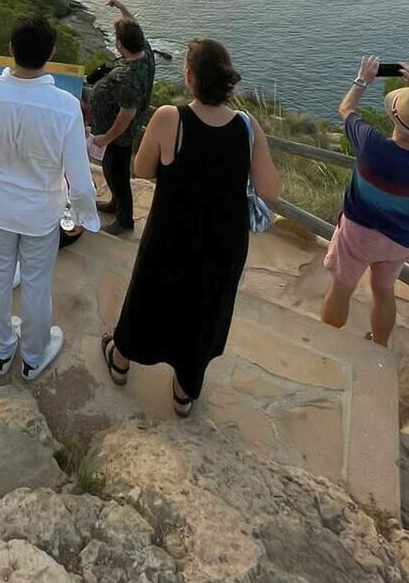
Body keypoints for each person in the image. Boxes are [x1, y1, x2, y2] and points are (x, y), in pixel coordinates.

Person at [102, 37, 279, 418]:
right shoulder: (247, 126)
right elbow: (270, 190)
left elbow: (142, 168)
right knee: (205, 308)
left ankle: (120, 361)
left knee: (148, 295)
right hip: (223, 240)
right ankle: (184, 392)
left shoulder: (170, 117)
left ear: (189, 77)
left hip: (172, 232)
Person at [0, 15, 98, 382]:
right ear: (51, 53)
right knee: (35, 284)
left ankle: (1, 351)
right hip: (41, 215)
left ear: (11, 50)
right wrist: (84, 216)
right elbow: (79, 177)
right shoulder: (65, 106)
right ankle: (33, 355)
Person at [322, 58, 409, 347]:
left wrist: (362, 80)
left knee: (342, 287)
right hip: (398, 240)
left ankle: (327, 341)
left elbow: (345, 109)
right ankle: (379, 345)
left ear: (393, 115)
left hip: (357, 233)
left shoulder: (372, 146)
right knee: (384, 291)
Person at [88, 0, 157, 237]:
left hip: (120, 135)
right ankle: (115, 204)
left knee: (116, 174)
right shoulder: (145, 54)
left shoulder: (130, 77)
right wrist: (120, 8)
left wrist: (105, 138)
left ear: (120, 45)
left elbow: (125, 117)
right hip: (122, 133)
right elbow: (133, 25)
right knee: (113, 172)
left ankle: (124, 219)